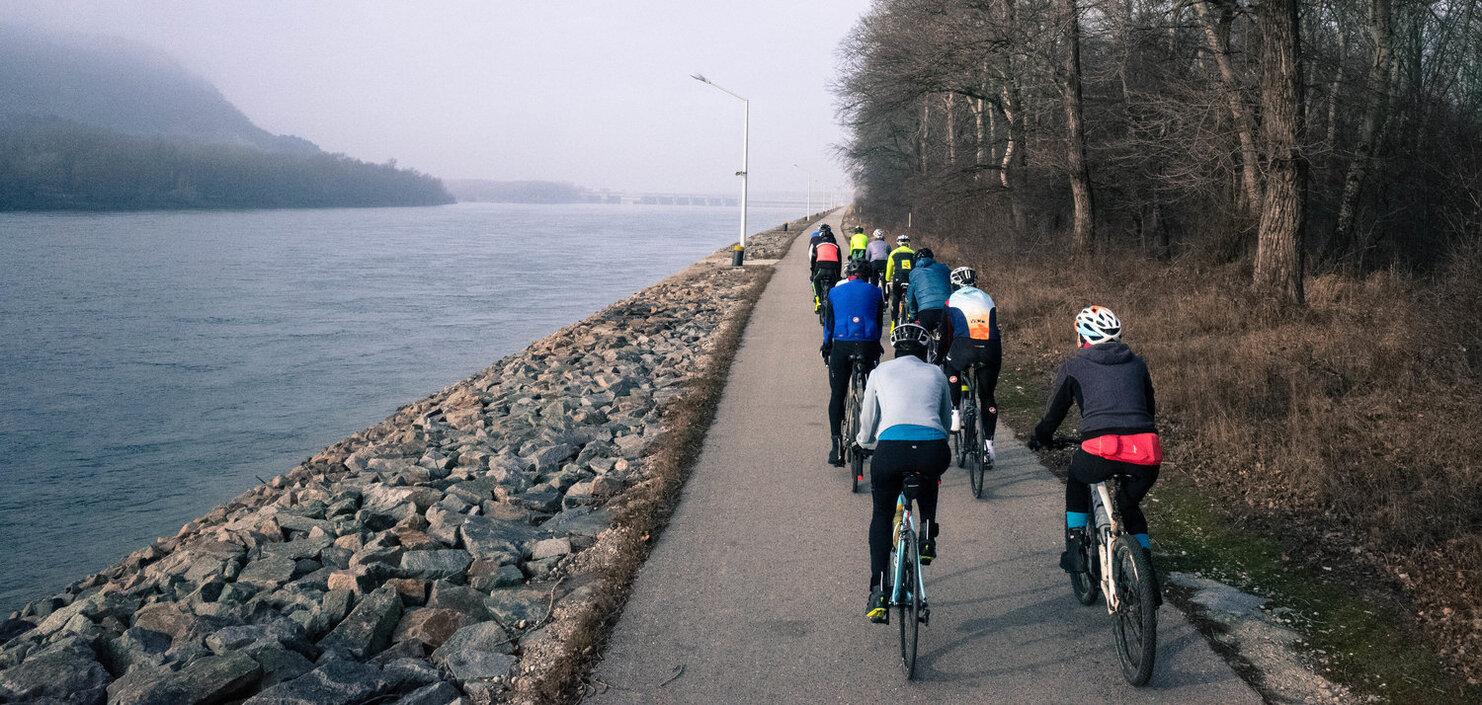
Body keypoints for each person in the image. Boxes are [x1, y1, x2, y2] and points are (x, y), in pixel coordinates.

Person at [1028, 306, 1162, 604]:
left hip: (1101, 449)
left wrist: (1041, 437)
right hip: (1146, 451)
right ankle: (1146, 570)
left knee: (1078, 478)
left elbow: (1054, 413)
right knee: (1128, 504)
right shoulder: (1138, 364)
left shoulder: (1075, 365)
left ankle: (1076, 548)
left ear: (1084, 337)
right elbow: (1148, 409)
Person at [856, 322, 953, 622]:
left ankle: (877, 592)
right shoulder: (936, 373)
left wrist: (863, 442)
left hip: (891, 450)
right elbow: (945, 420)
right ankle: (927, 534)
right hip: (932, 448)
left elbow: (868, 419)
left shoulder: (880, 372)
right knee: (929, 476)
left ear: (895, 349)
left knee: (882, 516)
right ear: (925, 350)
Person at [822, 260, 885, 467]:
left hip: (842, 345)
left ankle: (836, 445)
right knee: (871, 391)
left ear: (849, 275)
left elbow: (829, 325)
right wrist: (876, 343)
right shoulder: (876, 292)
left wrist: (826, 346)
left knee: (837, 394)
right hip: (868, 345)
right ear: (867, 276)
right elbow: (878, 323)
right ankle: (870, 434)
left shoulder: (834, 292)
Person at [941, 267, 1001, 458]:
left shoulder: (951, 299)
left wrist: (940, 356)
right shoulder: (987, 298)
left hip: (964, 346)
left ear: (954, 284)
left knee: (951, 365)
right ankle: (989, 446)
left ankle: (954, 412)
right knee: (987, 396)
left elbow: (946, 334)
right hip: (991, 348)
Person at [904, 247, 951, 340]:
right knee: (949, 338)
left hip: (926, 311)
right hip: (946, 308)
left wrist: (913, 316)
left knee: (923, 340)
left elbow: (911, 298)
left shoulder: (914, 273)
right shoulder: (944, 268)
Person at [808, 228, 842, 314]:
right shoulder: (836, 246)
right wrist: (838, 276)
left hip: (820, 266)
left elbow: (813, 260)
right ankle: (834, 302)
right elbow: (839, 263)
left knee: (815, 281)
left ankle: (818, 301)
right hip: (833, 267)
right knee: (834, 284)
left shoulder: (818, 245)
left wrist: (812, 272)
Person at [884, 234, 915, 326]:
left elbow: (889, 269)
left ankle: (894, 322)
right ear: (908, 244)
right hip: (910, 279)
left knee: (896, 297)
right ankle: (910, 316)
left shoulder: (893, 253)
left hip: (898, 279)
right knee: (912, 298)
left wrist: (887, 279)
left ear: (898, 243)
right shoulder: (913, 253)